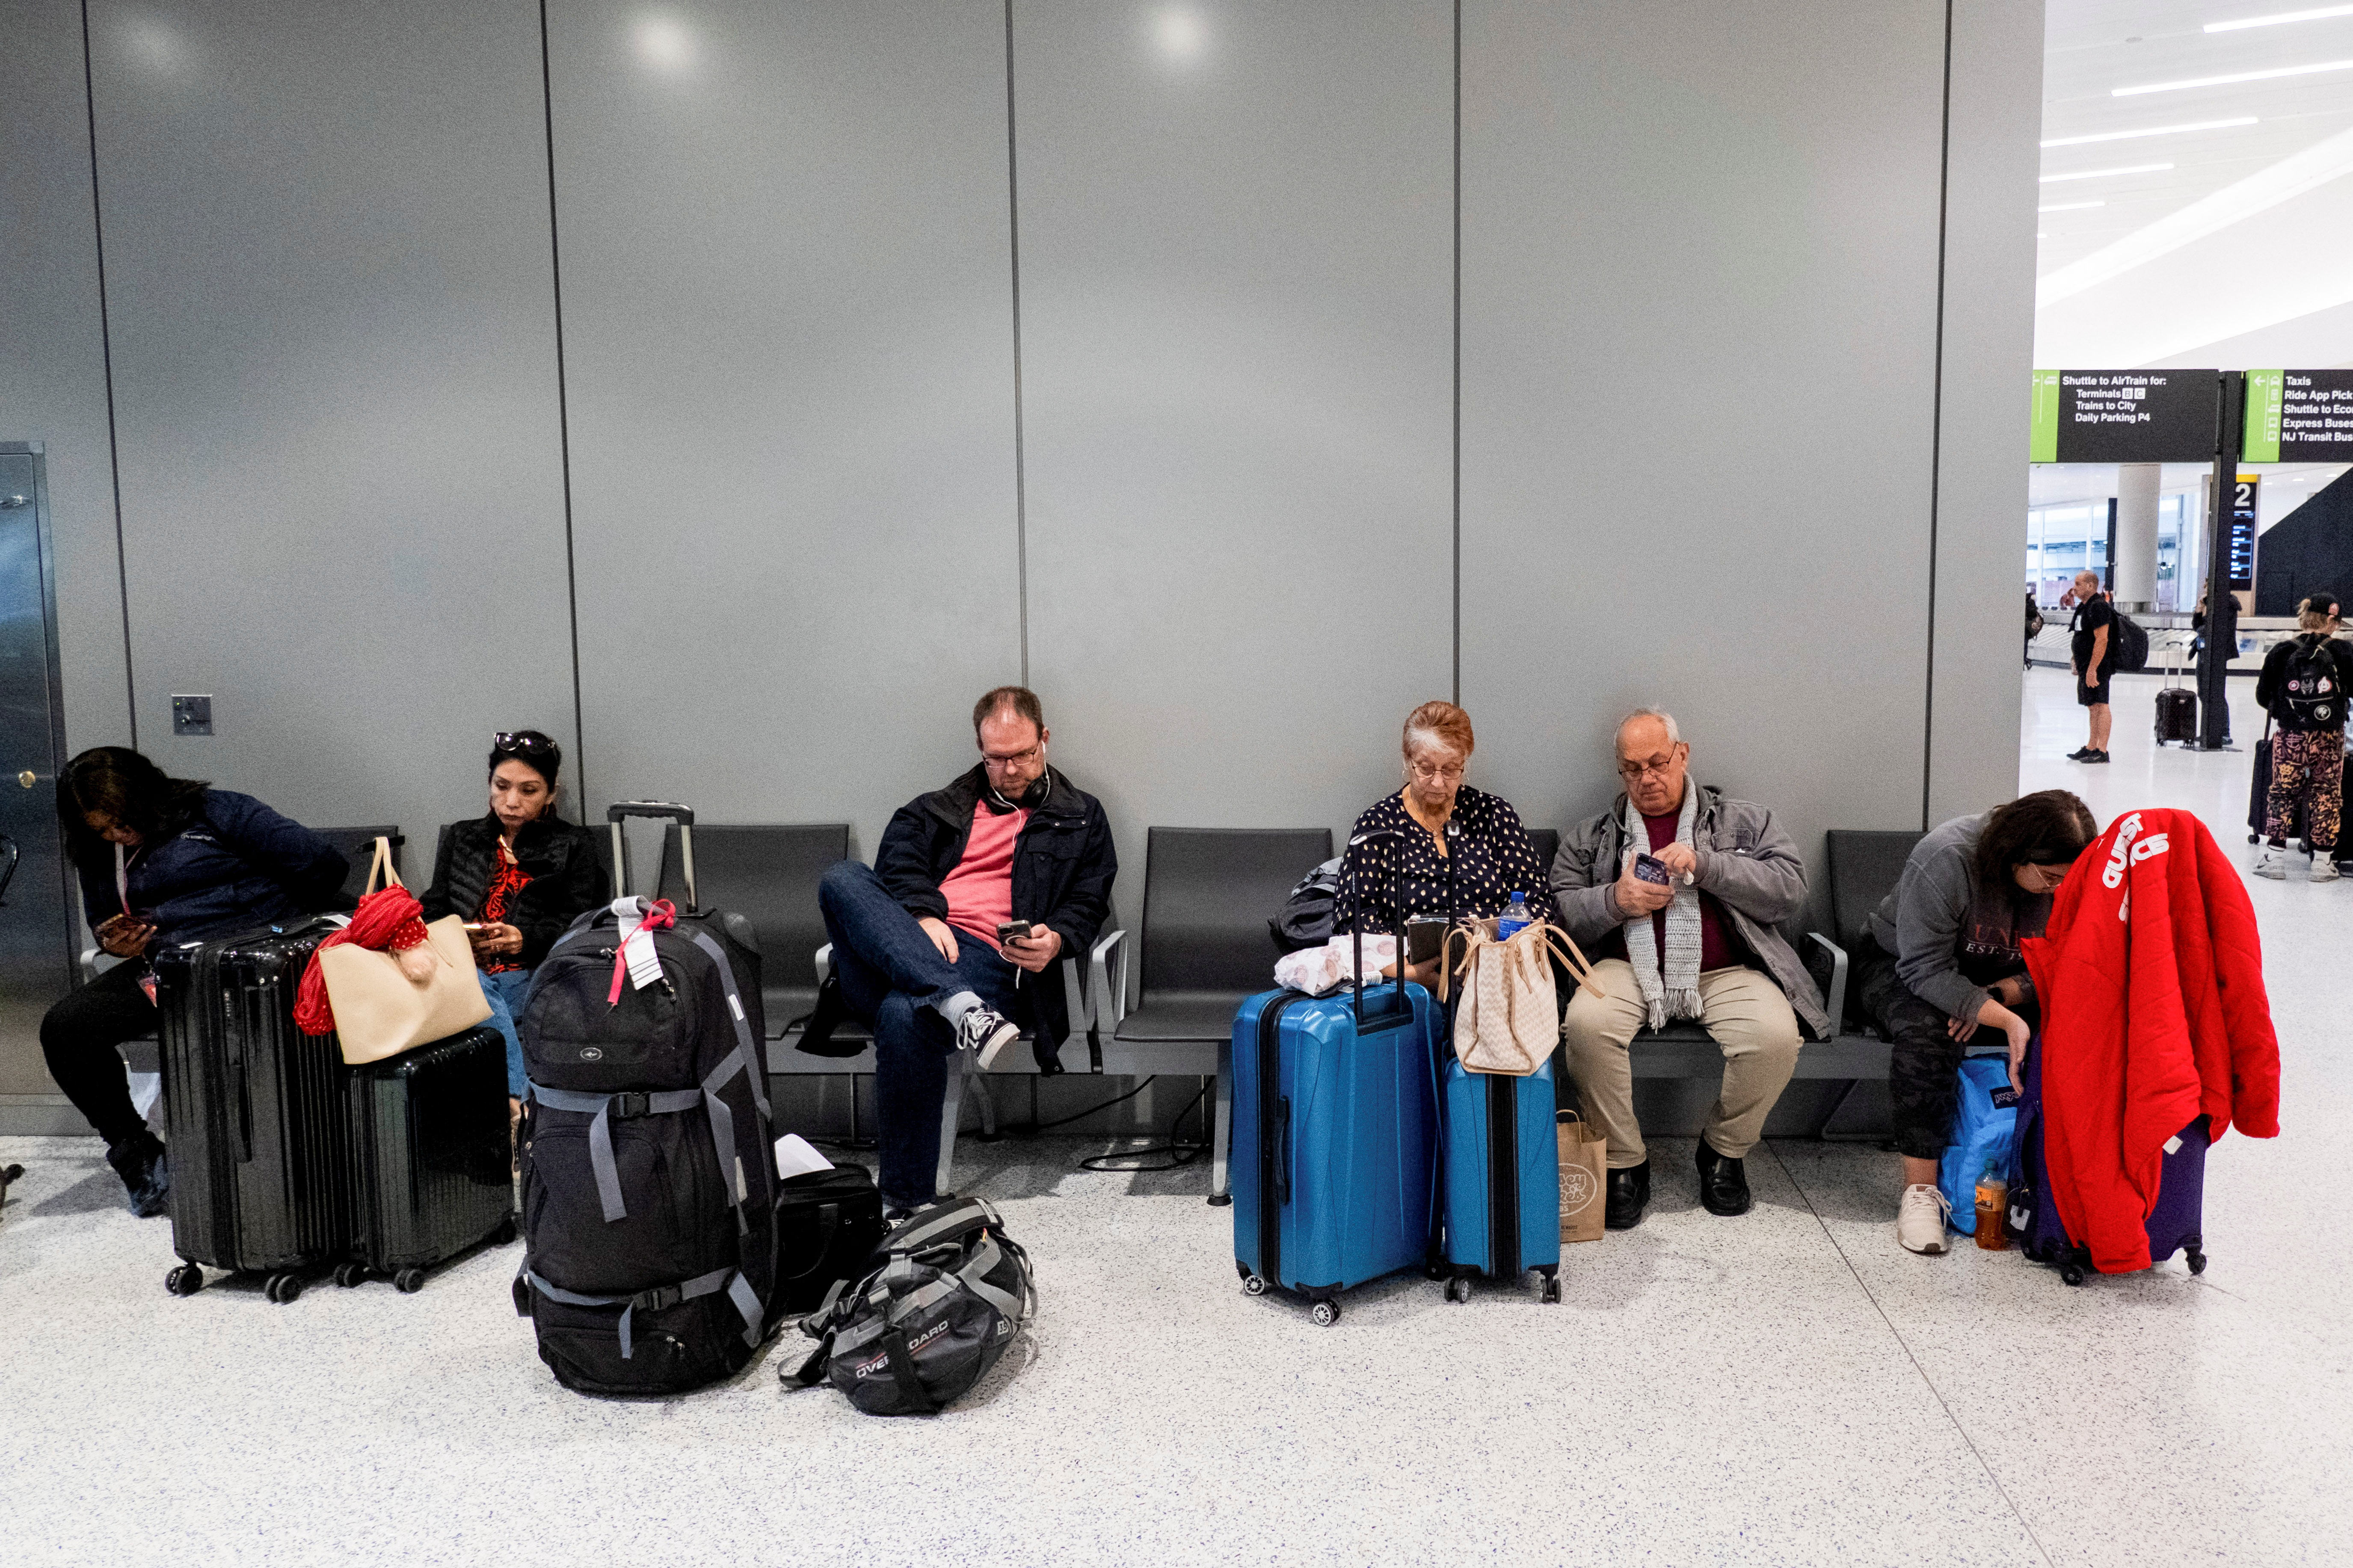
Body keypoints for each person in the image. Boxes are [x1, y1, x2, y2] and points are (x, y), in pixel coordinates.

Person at [804, 687, 1115, 1218]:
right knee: (842, 877)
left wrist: (1056, 940)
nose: (1010, 769)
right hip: (904, 950)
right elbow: (896, 873)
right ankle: (958, 1005)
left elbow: (1089, 902)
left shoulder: (1081, 817)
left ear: (1045, 739)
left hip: (989, 962)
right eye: (996, 758)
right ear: (979, 749)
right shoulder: (933, 810)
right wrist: (924, 916)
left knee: (905, 1014)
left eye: (1022, 754)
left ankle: (906, 1205)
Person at [1549, 710, 1826, 1226]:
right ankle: (1623, 1162)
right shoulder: (1590, 836)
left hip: (1727, 972)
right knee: (1587, 1026)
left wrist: (1707, 865)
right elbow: (1556, 913)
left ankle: (1724, 1151)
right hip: (1622, 968)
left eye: (1658, 762)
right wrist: (1616, 900)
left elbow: (1788, 892)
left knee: (1774, 1037)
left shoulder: (1744, 821)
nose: (1647, 778)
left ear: (1684, 754)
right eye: (1632, 769)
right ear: (1619, 771)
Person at [44, 748, 348, 1215]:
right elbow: (103, 918)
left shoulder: (219, 812)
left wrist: (265, 920)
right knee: (67, 1027)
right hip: (171, 969)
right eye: (101, 829)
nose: (116, 835)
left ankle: (289, 1155)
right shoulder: (98, 852)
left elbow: (324, 867)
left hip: (260, 960)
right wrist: (113, 942)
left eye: (122, 822)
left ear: (148, 795)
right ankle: (138, 1156)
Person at [1854, 789, 2097, 1256]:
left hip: (2001, 981)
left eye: (2068, 880)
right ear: (2015, 855)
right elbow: (1922, 968)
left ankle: (2060, 1178)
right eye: (2049, 878)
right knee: (1930, 1033)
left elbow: (2072, 954)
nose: (2058, 890)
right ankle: (1920, 1193)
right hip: (1897, 963)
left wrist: (2001, 996)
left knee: (2084, 1023)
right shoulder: (1948, 857)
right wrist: (1996, 1016)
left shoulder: (2069, 875)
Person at [418, 731, 603, 1114]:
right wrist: (456, 937)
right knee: (480, 988)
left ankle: (507, 1110)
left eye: (529, 791)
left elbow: (581, 924)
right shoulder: (463, 837)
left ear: (552, 793)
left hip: (531, 968)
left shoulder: (573, 844)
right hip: (464, 967)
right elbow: (434, 907)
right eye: (501, 787)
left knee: (488, 998)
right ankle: (518, 1104)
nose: (512, 801)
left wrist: (524, 939)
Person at [1332, 701, 1554, 985]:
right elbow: (1351, 924)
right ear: (1407, 761)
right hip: (1407, 985)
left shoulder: (1494, 815)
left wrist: (1500, 955)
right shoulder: (1377, 826)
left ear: (1465, 763)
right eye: (1426, 769)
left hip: (1495, 977)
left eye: (1451, 770)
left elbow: (1540, 903)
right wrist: (1410, 974)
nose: (1438, 783)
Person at [2251, 593, 2352, 883]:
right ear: (2331, 621)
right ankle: (2322, 863)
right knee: (2327, 795)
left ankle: (2274, 858)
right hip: (2330, 737)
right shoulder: (2344, 651)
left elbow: (2263, 696)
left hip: (2291, 737)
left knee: (2282, 793)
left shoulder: (2283, 651)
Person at [2067, 571, 2116, 763]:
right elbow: (2081, 636)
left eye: (2078, 584)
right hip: (2087, 664)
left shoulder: (2098, 607)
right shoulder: (2085, 607)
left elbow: (2102, 640)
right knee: (2092, 706)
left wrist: (2093, 668)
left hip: (2098, 665)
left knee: (2101, 704)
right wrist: (2076, 660)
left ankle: (2102, 750)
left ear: (2090, 586)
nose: (2074, 588)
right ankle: (2091, 746)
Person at [2024, 590, 2044, 669]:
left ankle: (2023, 660)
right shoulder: (2029, 600)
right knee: (2024, 644)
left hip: (2026, 628)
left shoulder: (2029, 600)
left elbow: (2032, 613)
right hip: (2026, 627)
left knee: (2024, 644)